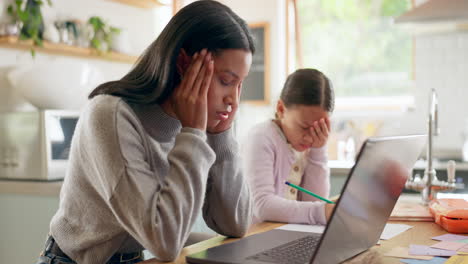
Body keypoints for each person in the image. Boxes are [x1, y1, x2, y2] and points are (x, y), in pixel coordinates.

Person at [35, 1, 254, 263]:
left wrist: (221, 134)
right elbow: (164, 241)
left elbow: (236, 223)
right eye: (226, 81)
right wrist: (194, 133)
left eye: (240, 85)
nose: (234, 99)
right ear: (185, 64)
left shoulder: (193, 123)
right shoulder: (110, 116)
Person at [243, 68, 335, 225]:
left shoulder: (307, 146)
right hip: (255, 236)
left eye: (318, 128)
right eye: (304, 127)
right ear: (280, 109)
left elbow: (313, 200)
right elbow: (262, 205)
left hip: (286, 235)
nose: (310, 137)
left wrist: (318, 150)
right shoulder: (261, 137)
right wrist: (321, 211)